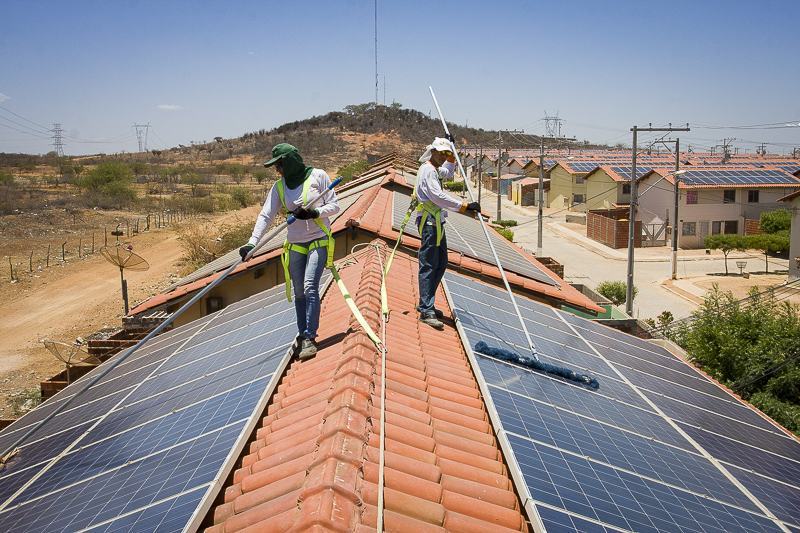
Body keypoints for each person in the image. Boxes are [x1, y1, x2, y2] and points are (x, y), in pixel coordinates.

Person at [239, 143, 340, 359]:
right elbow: (266, 216)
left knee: (310, 286)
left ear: (291, 161)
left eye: (280, 165)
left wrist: (315, 212)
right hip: (295, 243)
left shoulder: (318, 176)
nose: (278, 170)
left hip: (318, 240)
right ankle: (302, 334)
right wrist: (252, 243)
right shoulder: (279, 187)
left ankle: (310, 337)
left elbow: (335, 205)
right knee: (299, 292)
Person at [414, 137, 480, 329]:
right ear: (432, 151)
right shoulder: (427, 170)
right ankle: (426, 309)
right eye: (441, 153)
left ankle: (427, 302)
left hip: (437, 223)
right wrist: (464, 206)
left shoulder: (435, 169)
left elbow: (449, 174)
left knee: (441, 263)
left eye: (446, 154)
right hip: (429, 223)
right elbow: (437, 196)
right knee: (428, 264)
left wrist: (452, 150)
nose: (444, 157)